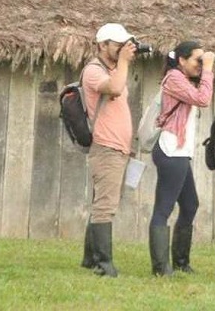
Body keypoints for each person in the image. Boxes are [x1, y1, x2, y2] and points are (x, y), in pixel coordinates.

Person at [148, 41, 215, 276]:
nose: (200, 65)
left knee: (190, 204)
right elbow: (203, 99)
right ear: (182, 60)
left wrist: (204, 69)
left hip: (180, 152)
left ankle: (181, 261)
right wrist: (207, 69)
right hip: (170, 151)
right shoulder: (174, 78)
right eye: (196, 60)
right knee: (163, 209)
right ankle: (160, 268)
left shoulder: (184, 79)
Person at [79, 23, 138, 278]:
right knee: (105, 205)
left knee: (102, 202)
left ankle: (90, 259)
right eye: (117, 45)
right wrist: (124, 62)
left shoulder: (114, 71)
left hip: (118, 146)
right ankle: (104, 264)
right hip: (106, 146)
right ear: (102, 45)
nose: (122, 49)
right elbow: (113, 89)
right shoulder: (93, 71)